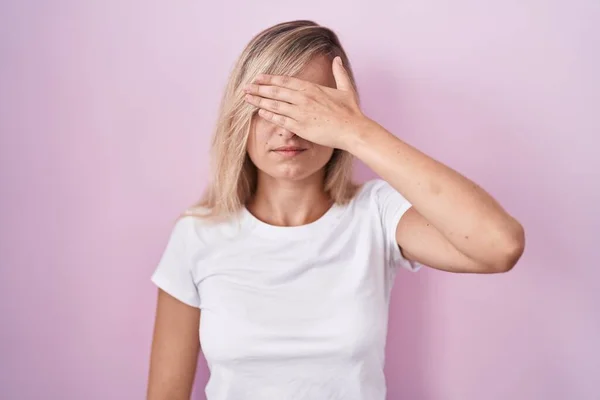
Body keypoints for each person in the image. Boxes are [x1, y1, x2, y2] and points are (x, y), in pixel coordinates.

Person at [146, 20, 525, 400]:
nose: (287, 129)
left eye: (312, 108)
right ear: (240, 115)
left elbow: (499, 245)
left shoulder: (376, 214)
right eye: (271, 106)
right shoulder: (198, 234)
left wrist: (357, 131)